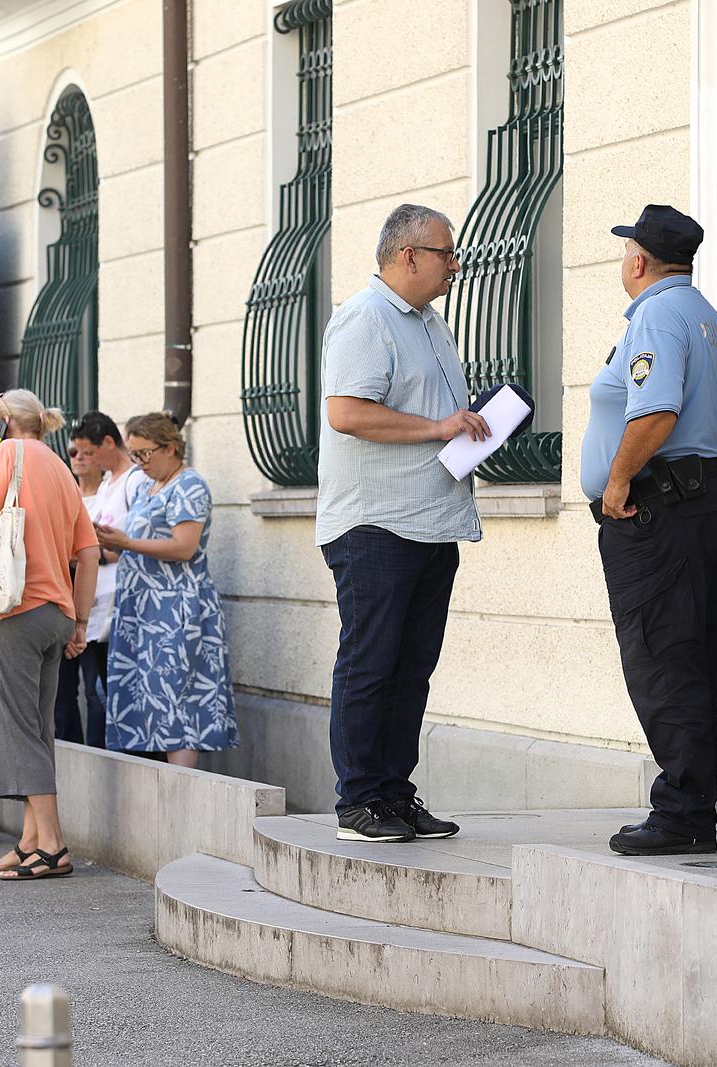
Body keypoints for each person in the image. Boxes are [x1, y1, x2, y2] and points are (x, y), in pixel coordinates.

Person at [313, 203, 487, 844]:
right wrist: (441, 427)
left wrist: (469, 426)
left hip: (432, 521)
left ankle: (393, 792)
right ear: (408, 255)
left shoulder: (430, 324)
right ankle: (358, 801)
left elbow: (429, 411)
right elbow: (347, 413)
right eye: (446, 254)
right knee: (371, 662)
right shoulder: (367, 317)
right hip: (376, 524)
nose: (455, 265)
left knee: (412, 667)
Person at [582, 204, 717, 857]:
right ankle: (693, 804)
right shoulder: (715, 324)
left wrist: (618, 482)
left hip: (657, 510)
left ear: (640, 260)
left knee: (661, 655)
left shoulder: (655, 315)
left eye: (626, 250)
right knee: (696, 656)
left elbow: (655, 410)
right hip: (704, 500)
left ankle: (681, 809)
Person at [0, 389, 98, 880]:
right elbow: (87, 551)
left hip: (14, 608)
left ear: (3, 425)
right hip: (56, 612)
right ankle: (29, 840)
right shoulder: (63, 469)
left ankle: (54, 844)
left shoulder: (8, 454)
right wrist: (80, 620)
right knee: (37, 728)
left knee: (18, 730)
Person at [98, 413, 237, 767]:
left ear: (170, 448)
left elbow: (183, 547)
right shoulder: (146, 487)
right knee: (151, 700)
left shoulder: (189, 485)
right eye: (133, 454)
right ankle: (163, 797)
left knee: (178, 698)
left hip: (176, 609)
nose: (138, 463)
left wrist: (127, 542)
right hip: (145, 610)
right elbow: (137, 541)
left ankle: (181, 795)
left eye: (144, 454)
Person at [65, 411, 148, 748]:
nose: (86, 459)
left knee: (109, 691)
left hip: (119, 601)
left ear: (109, 443)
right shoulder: (112, 481)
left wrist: (94, 553)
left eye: (90, 452)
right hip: (100, 599)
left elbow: (133, 540)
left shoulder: (133, 480)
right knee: (100, 689)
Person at [53, 442, 106, 744]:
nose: (80, 458)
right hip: (63, 592)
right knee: (62, 691)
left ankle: (96, 754)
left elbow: (94, 551)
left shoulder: (111, 492)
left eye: (88, 451)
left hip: (98, 602)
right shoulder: (65, 492)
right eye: (74, 452)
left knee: (95, 691)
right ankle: (69, 754)